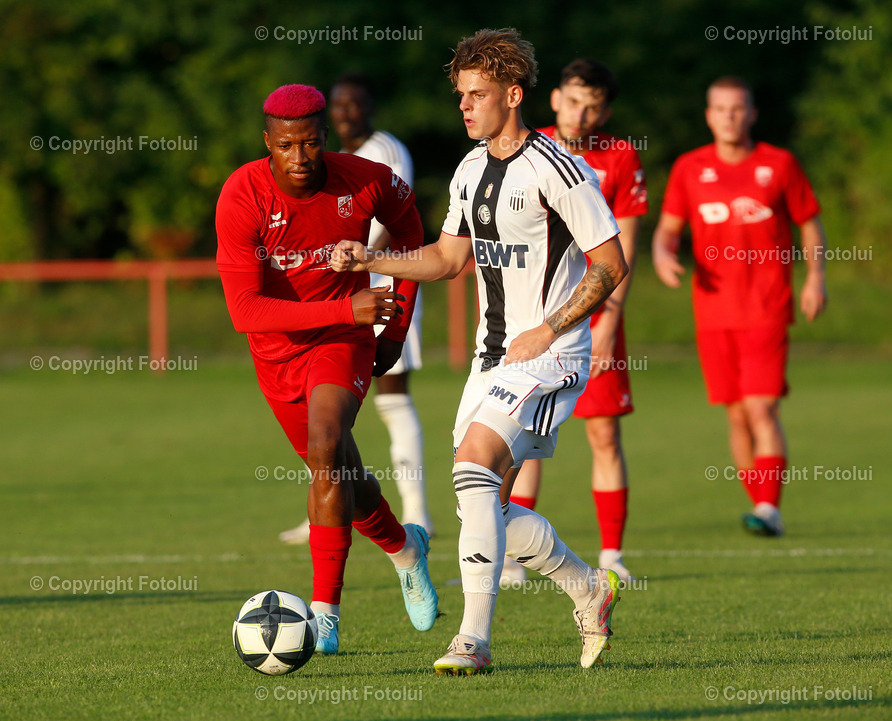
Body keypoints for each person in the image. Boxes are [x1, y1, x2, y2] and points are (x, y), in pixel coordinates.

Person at [331, 28, 627, 675]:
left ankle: (473, 639)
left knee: (473, 463)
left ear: (513, 95)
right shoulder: (468, 170)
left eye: (477, 94)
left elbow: (610, 263)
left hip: (553, 353)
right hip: (491, 360)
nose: (464, 106)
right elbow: (448, 258)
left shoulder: (558, 167)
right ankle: (587, 586)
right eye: (460, 94)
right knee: (481, 501)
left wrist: (548, 329)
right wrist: (372, 257)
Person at [215, 84, 439, 656]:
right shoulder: (242, 193)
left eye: (310, 143)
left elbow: (412, 232)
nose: (300, 157)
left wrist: (395, 325)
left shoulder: (364, 178)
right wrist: (349, 305)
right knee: (339, 471)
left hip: (343, 340)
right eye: (287, 146)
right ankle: (406, 549)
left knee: (326, 443)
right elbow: (245, 311)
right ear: (268, 142)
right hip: (277, 352)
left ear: (324, 138)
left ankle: (324, 617)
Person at [652, 76, 827, 536]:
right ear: (708, 116)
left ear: (751, 113)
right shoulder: (690, 168)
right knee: (736, 414)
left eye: (738, 108)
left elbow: (809, 224)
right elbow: (668, 228)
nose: (729, 115)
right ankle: (762, 506)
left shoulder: (779, 164)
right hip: (712, 311)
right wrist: (663, 254)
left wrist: (816, 279)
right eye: (720, 108)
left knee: (761, 409)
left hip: (767, 306)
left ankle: (769, 508)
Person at [506, 58, 648, 585]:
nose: (580, 113)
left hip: (595, 313)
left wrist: (610, 316)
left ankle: (612, 556)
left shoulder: (620, 155)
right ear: (555, 99)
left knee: (604, 434)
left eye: (592, 105)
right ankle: (517, 558)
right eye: (572, 100)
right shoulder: (526, 145)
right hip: (534, 317)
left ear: (605, 110)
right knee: (522, 434)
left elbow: (625, 243)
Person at [278, 73, 432, 545]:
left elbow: (396, 222)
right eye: (339, 105)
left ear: (368, 108)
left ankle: (417, 512)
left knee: (392, 398)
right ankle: (328, 504)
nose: (347, 112)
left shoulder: (385, 152)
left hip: (384, 286)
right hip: (334, 299)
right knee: (326, 416)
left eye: (354, 104)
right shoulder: (320, 160)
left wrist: (354, 259)